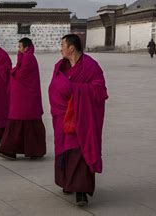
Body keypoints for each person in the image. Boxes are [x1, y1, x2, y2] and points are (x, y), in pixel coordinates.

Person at [48, 34, 108, 206]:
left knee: (80, 151)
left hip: (83, 117)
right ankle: (68, 183)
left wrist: (74, 89)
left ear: (71, 48)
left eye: (62, 45)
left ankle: (81, 191)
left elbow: (100, 91)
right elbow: (54, 89)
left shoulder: (90, 67)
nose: (61, 49)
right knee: (65, 150)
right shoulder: (60, 66)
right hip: (62, 116)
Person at [0, 37, 46, 160]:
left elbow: (21, 74)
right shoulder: (24, 57)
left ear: (26, 48)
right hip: (24, 98)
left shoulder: (29, 58)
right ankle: (35, 151)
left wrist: (12, 71)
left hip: (26, 98)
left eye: (20, 47)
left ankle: (9, 150)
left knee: (16, 122)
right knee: (28, 123)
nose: (18, 49)